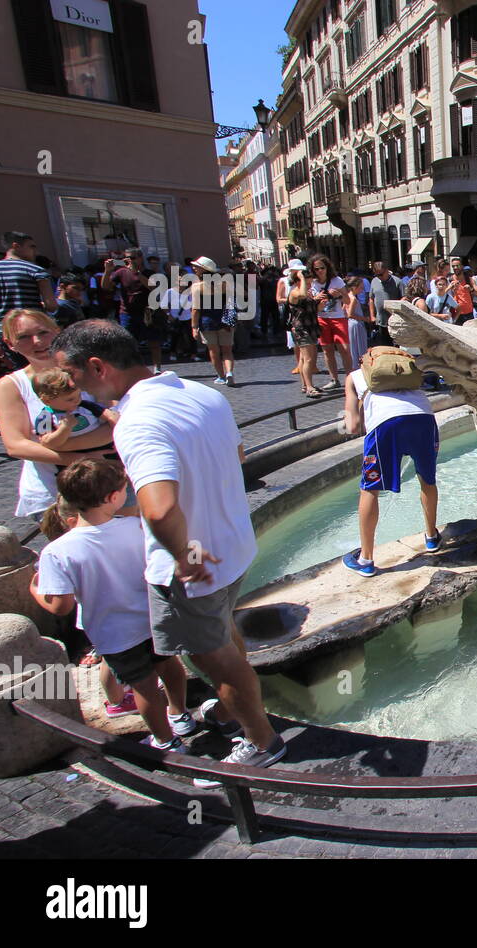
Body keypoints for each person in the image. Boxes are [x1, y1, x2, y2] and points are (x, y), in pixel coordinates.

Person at [51, 320, 286, 777]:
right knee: (223, 639)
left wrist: (185, 556)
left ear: (97, 366)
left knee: (215, 660)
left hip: (197, 567)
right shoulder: (203, 393)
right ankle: (230, 711)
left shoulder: (136, 422)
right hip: (233, 548)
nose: (70, 385)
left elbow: (159, 510)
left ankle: (263, 742)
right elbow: (236, 456)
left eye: (71, 374)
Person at [30, 458, 196, 751]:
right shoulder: (136, 526)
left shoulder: (57, 551)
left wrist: (35, 591)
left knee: (144, 687)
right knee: (170, 667)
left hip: (114, 633)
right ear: (113, 497)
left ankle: (166, 741)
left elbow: (61, 607)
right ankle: (180, 715)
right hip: (154, 616)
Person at [0, 310, 115, 521]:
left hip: (109, 483)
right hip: (52, 491)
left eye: (43, 332)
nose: (37, 341)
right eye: (24, 337)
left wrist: (58, 443)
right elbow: (16, 445)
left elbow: (116, 420)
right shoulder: (11, 386)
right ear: (9, 343)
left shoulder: (88, 370)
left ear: (57, 331)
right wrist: (80, 458)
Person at [339, 345, 443, 579]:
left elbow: (353, 425)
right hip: (423, 419)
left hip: (386, 426)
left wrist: (358, 409)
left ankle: (365, 559)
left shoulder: (354, 377)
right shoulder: (407, 374)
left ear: (364, 361)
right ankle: (431, 538)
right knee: (427, 480)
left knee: (370, 489)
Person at [30, 367, 118, 469]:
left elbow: (110, 416)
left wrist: (116, 433)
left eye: (79, 395)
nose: (77, 400)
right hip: (75, 461)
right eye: (70, 399)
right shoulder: (45, 417)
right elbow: (48, 443)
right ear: (47, 400)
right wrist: (65, 428)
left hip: (106, 451)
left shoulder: (84, 405)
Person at [0, 232, 56, 367]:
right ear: (16, 246)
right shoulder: (35, 270)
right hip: (34, 330)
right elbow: (51, 305)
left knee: (21, 371)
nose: (35, 251)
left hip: (5, 332)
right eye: (32, 246)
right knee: (45, 368)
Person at [104, 249, 166, 371]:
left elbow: (152, 287)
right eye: (126, 258)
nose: (128, 261)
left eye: (132, 258)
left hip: (148, 312)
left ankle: (157, 368)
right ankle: (134, 368)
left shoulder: (149, 273)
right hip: (127, 313)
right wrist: (107, 271)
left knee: (154, 341)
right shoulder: (121, 272)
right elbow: (106, 287)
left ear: (140, 258)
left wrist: (137, 273)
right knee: (129, 342)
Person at [189, 256, 236, 386]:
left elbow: (195, 309)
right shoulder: (224, 284)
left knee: (213, 351)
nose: (194, 268)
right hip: (225, 321)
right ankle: (229, 373)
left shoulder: (197, 287)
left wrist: (194, 327)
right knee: (227, 350)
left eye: (196, 266)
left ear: (203, 269)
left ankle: (221, 376)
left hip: (207, 322)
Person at [309, 254, 354, 386]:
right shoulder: (312, 283)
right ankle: (334, 379)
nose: (320, 271)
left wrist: (340, 294)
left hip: (338, 318)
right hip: (322, 318)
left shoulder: (337, 281)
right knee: (327, 350)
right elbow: (309, 305)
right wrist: (316, 299)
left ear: (327, 267)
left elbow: (348, 300)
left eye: (322, 268)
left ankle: (349, 378)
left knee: (344, 349)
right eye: (316, 269)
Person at [284, 264, 323, 397]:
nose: (310, 284)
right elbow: (301, 294)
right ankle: (309, 387)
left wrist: (320, 302)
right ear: (297, 281)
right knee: (308, 359)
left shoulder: (307, 293)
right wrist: (300, 276)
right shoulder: (295, 292)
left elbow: (313, 310)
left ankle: (305, 384)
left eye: (310, 281)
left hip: (310, 326)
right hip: (301, 328)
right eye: (307, 282)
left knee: (304, 358)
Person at [368, 261, 402, 345]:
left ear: (387, 271)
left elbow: (404, 297)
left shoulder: (397, 282)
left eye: (381, 274)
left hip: (395, 322)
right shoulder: (374, 281)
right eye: (377, 275)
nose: (379, 277)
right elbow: (371, 299)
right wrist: (372, 316)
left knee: (396, 348)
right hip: (380, 321)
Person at [344, 273, 371, 361]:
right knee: (358, 346)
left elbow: (344, 310)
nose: (362, 290)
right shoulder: (354, 299)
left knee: (352, 345)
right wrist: (365, 319)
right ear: (354, 287)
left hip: (349, 324)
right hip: (355, 324)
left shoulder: (347, 297)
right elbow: (350, 314)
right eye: (360, 288)